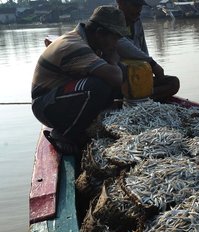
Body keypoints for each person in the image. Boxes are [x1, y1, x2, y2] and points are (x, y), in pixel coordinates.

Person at [31, 6, 128, 154]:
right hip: (45, 106)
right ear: (99, 33)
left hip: (61, 97)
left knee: (116, 74)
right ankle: (64, 134)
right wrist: (113, 61)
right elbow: (115, 78)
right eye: (114, 38)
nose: (115, 44)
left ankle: (86, 125)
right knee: (99, 85)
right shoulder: (75, 46)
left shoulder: (86, 41)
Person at [116, 0, 180, 100]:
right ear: (120, 3)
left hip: (138, 76)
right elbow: (121, 44)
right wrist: (152, 63)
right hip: (120, 79)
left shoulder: (137, 21)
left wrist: (149, 72)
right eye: (135, 5)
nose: (139, 10)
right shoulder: (111, 22)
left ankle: (141, 98)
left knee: (173, 83)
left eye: (140, 6)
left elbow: (143, 48)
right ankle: (131, 99)